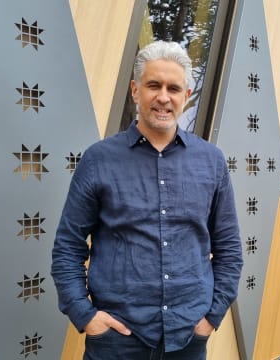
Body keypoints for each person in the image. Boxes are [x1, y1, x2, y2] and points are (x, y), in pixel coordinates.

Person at [51, 40, 243, 360]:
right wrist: (85, 316)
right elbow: (67, 246)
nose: (163, 97)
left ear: (187, 96)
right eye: (153, 85)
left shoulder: (212, 161)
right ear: (135, 90)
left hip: (188, 338)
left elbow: (229, 248)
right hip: (115, 340)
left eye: (173, 88)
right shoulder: (99, 160)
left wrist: (211, 318)